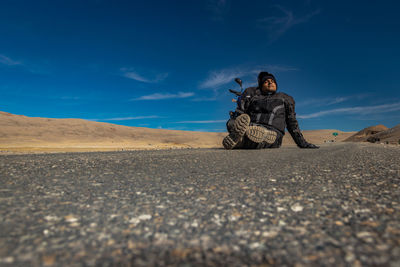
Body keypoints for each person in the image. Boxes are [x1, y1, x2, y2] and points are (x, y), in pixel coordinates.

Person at [222, 71, 319, 149]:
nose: (269, 82)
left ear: (276, 84)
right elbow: (242, 114)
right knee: (231, 123)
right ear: (261, 86)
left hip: (274, 132)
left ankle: (242, 141)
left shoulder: (285, 98)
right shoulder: (254, 97)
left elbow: (292, 122)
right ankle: (243, 139)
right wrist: (235, 119)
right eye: (266, 81)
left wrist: (302, 143)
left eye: (272, 81)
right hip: (253, 126)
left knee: (261, 135)